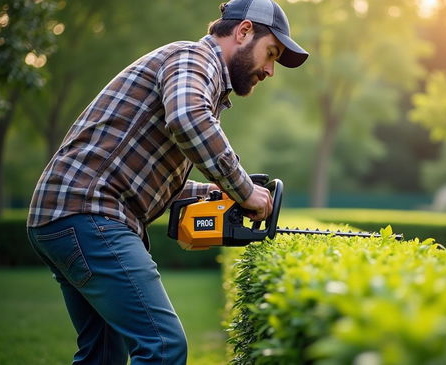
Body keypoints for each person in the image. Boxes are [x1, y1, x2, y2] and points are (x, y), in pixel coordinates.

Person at [26, 0, 308, 363]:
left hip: (68, 212)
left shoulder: (191, 72)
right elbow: (188, 119)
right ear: (244, 31)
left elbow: (146, 176)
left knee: (103, 355)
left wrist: (216, 193)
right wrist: (243, 189)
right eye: (271, 54)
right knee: (164, 346)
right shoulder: (194, 59)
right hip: (89, 212)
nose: (270, 70)